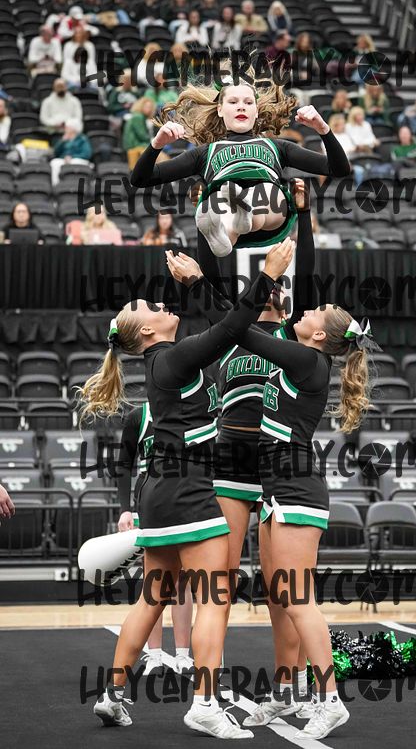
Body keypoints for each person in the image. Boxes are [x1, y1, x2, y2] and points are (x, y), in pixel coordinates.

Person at [80, 239, 293, 737]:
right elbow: (232, 328)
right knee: (214, 595)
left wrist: (201, 277)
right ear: (147, 331)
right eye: (152, 306)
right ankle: (204, 703)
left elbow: (223, 329)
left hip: (161, 492)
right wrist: (267, 273)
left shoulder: (167, 360)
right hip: (187, 490)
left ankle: (112, 695)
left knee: (152, 597)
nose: (162, 303)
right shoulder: (172, 360)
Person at [173, 246, 380, 740]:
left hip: (295, 487)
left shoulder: (307, 360)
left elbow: (238, 330)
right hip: (276, 488)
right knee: (278, 596)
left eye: (315, 311)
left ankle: (330, 699)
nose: (305, 309)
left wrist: (200, 283)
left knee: (297, 596)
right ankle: (287, 693)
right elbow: (239, 326)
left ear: (319, 335)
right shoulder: (303, 354)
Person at [168, 180, 322, 723]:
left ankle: (288, 687)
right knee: (221, 582)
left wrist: (303, 213)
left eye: (280, 287)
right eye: (266, 287)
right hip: (232, 462)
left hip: (279, 468)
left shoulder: (295, 338)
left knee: (283, 589)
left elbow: (304, 264)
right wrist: (205, 215)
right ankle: (207, 693)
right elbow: (213, 263)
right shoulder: (232, 329)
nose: (275, 292)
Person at [131, 73, 351, 257]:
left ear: (256, 110)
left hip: (269, 211)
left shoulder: (277, 146)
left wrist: (323, 129)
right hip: (227, 209)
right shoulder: (205, 153)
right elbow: (140, 179)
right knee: (218, 201)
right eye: (233, 102)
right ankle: (226, 232)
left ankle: (244, 215)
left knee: (265, 190)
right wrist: (157, 144)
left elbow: (339, 169)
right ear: (219, 109)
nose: (241, 107)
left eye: (248, 102)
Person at [116, 402, 194, 675]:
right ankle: (155, 654)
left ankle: (183, 655)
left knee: (183, 581)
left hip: (184, 500)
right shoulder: (139, 416)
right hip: (149, 503)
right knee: (155, 582)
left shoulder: (189, 409)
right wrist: (124, 508)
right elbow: (124, 464)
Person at [50, 119, 92, 186]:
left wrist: (72, 157)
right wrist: (62, 141)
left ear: (73, 129)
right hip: (64, 159)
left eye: (67, 127)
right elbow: (56, 153)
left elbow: (87, 154)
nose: (65, 129)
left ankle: (76, 184)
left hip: (78, 159)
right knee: (54, 162)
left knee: (75, 161)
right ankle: (56, 185)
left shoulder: (82, 139)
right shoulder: (64, 139)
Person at [123, 97, 157, 169]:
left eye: (150, 107)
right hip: (134, 145)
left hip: (136, 144)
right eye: (147, 107)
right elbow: (142, 135)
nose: (149, 109)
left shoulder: (139, 116)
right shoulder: (138, 117)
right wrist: (153, 140)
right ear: (141, 106)